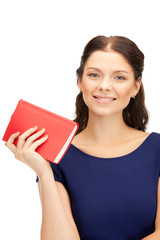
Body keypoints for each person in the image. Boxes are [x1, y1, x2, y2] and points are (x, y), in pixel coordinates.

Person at [5, 35, 160, 240]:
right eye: (94, 75)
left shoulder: (157, 149)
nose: (104, 85)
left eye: (119, 77)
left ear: (135, 86)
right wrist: (44, 172)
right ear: (80, 81)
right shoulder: (58, 156)